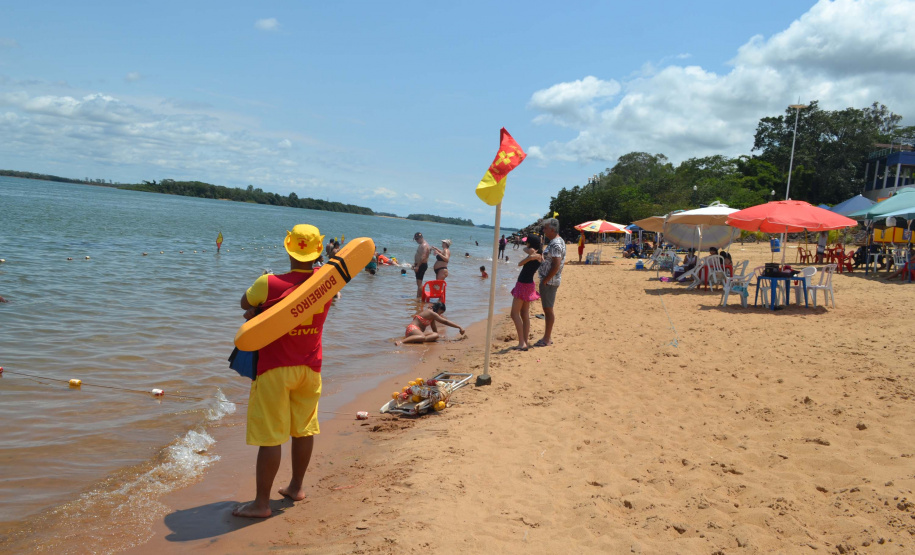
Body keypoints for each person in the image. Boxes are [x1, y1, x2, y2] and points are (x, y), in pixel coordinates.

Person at [232, 224, 332, 518]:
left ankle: (261, 504)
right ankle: (296, 487)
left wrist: (255, 312)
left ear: (288, 246)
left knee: (271, 437)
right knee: (303, 430)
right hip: (310, 368)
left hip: (275, 369)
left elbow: (244, 303)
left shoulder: (269, 282)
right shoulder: (327, 282)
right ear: (317, 251)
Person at [535, 218, 565, 347]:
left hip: (550, 281)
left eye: (545, 228)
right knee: (547, 309)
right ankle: (547, 337)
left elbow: (556, 264)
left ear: (552, 229)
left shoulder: (556, 244)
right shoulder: (555, 242)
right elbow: (551, 260)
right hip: (550, 280)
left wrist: (546, 280)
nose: (543, 230)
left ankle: (547, 339)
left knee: (548, 310)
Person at [510, 235, 543, 350]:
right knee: (524, 313)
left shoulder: (535, 256)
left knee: (514, 314)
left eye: (527, 242)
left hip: (523, 284)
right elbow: (525, 249)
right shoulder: (539, 254)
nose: (525, 244)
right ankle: (525, 341)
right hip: (529, 284)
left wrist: (530, 257)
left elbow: (520, 264)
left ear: (530, 243)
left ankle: (522, 343)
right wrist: (531, 253)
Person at [395, 302, 465, 345]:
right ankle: (401, 341)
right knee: (422, 337)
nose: (440, 314)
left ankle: (417, 339)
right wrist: (459, 327)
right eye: (440, 312)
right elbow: (445, 321)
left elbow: (434, 327)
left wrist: (437, 337)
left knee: (435, 334)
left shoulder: (432, 316)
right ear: (437, 308)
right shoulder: (430, 312)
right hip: (412, 329)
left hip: (417, 333)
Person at [412, 232, 431, 298]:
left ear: (421, 238)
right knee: (418, 283)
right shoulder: (422, 244)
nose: (416, 240)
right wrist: (415, 264)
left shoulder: (424, 245)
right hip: (419, 265)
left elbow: (423, 257)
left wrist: (417, 266)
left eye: (417, 239)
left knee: (419, 283)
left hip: (421, 265)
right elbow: (419, 256)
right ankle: (418, 297)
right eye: (415, 239)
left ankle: (421, 298)